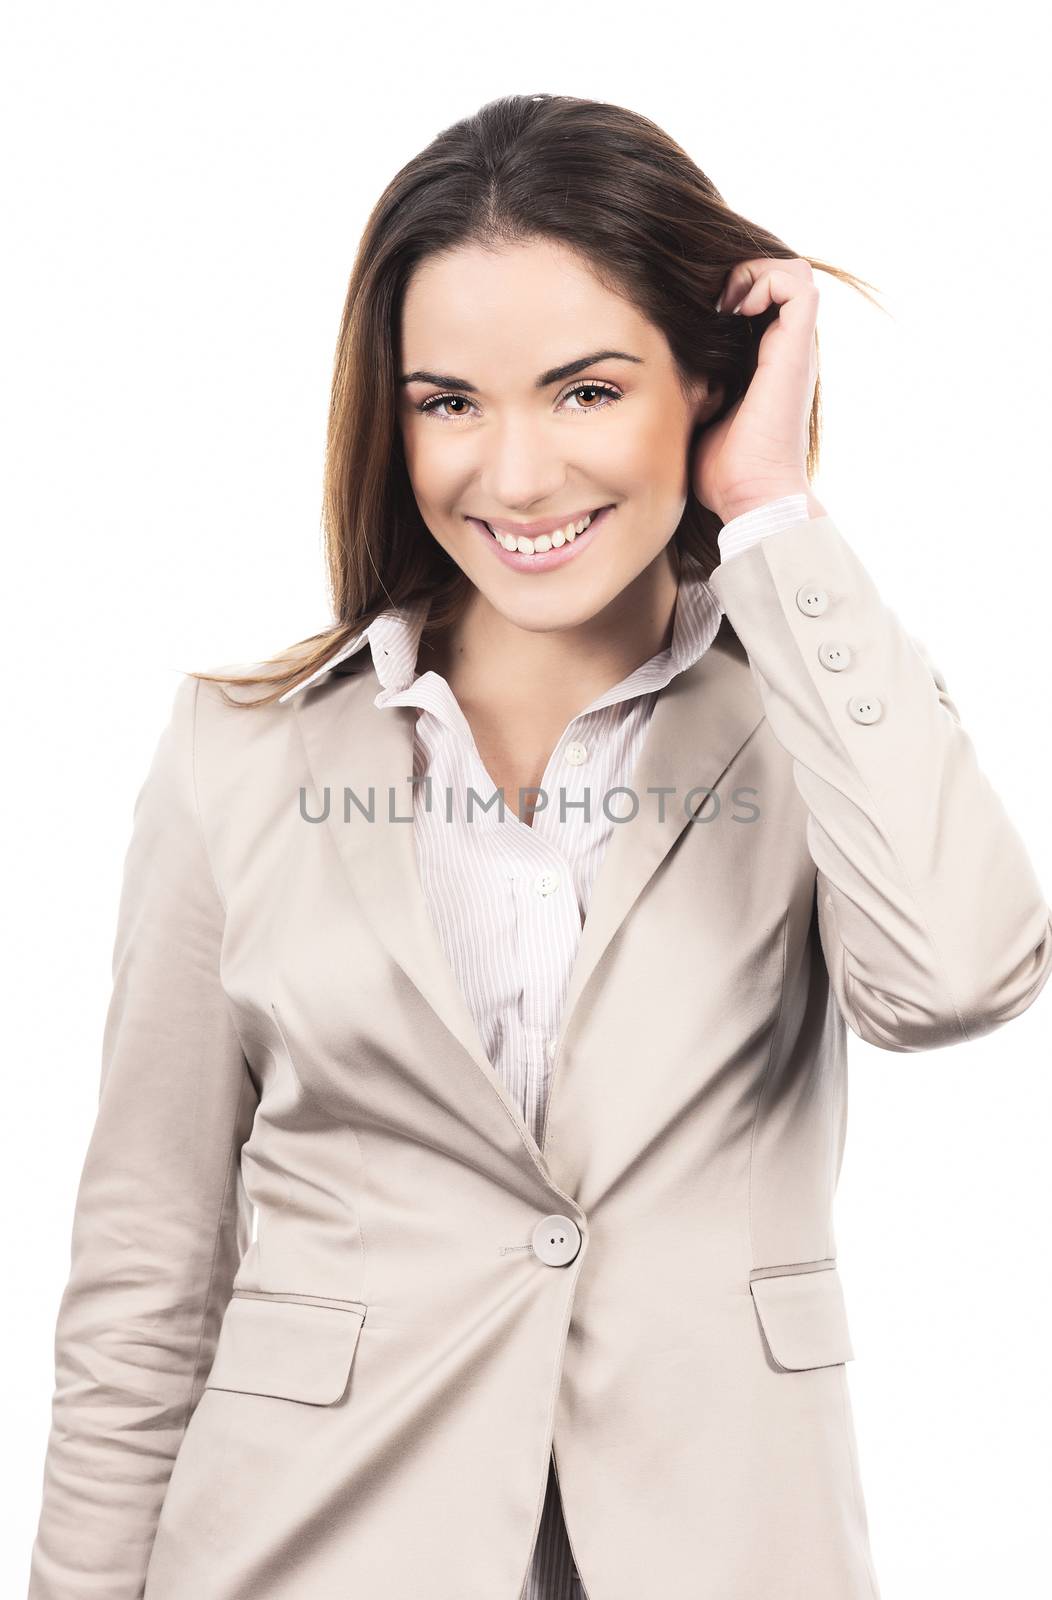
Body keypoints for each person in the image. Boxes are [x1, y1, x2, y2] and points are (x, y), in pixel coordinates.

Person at [28, 92, 1052, 1600]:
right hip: (302, 1551)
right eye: (449, 401)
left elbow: (955, 980)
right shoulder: (239, 755)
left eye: (585, 391)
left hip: (722, 1548)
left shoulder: (823, 720)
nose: (513, 478)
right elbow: (147, 1272)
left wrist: (770, 512)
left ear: (701, 385)